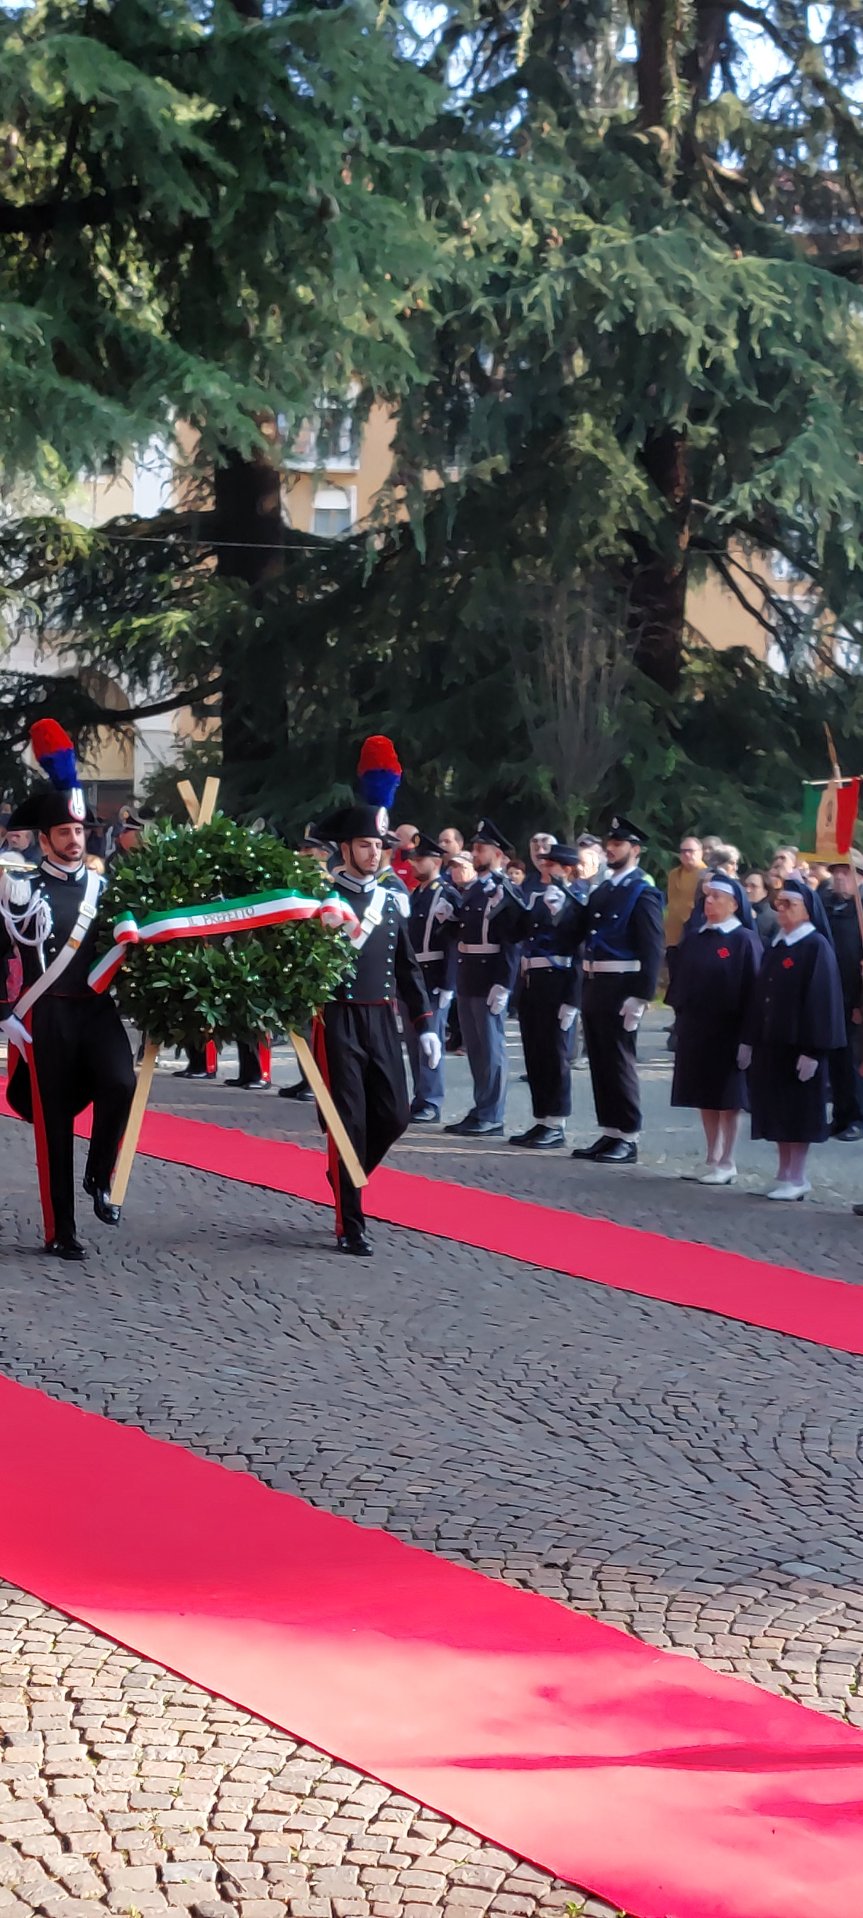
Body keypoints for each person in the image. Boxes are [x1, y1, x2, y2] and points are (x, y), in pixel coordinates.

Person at [0, 720, 136, 1259]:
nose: (75, 839)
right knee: (53, 1123)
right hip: (46, 1015)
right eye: (65, 833)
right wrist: (4, 1011)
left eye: (80, 831)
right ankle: (62, 1230)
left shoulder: (107, 887)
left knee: (120, 1084)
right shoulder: (19, 889)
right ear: (45, 838)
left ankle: (99, 1175)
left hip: (97, 1009)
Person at [311, 802, 436, 1255]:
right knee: (350, 1122)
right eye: (364, 844)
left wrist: (425, 1024)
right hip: (337, 1017)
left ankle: (346, 1173)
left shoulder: (389, 899)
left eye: (379, 845)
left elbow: (407, 966)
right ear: (344, 848)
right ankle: (351, 1224)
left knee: (395, 1116)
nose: (373, 852)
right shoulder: (322, 899)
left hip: (382, 1018)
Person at [555, 814, 664, 1165]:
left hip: (621, 984)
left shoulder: (641, 891)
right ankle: (610, 1130)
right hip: (595, 981)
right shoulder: (603, 889)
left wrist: (642, 995)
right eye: (610, 844)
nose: (611, 849)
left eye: (618, 844)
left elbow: (652, 947)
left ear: (635, 849)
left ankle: (628, 1135)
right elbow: (580, 931)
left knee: (619, 1061)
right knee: (600, 1060)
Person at [739, 875, 845, 1200]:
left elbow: (823, 1001)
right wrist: (749, 1038)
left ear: (807, 910)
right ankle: (783, 1172)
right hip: (773, 1043)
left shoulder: (815, 946)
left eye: (789, 905)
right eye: (779, 905)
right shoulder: (779, 943)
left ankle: (798, 1176)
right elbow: (760, 994)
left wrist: (813, 1050)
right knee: (777, 1111)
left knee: (798, 1113)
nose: (782, 911)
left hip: (800, 1045)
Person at [668, 876, 762, 1184]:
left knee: (727, 1098)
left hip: (729, 1030)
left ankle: (727, 1159)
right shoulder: (696, 936)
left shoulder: (744, 940)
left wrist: (748, 1039)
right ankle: (711, 1155)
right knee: (704, 1094)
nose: (709, 902)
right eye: (707, 897)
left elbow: (754, 992)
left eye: (717, 898)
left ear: (734, 904)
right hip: (698, 1027)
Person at [444, 819, 531, 1137]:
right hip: (469, 973)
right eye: (475, 848)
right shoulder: (475, 888)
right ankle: (482, 1107)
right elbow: (463, 932)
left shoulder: (502, 889)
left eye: (481, 849)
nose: (475, 853)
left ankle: (492, 1113)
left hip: (489, 972)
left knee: (491, 1049)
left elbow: (512, 939)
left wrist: (504, 983)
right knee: (477, 1048)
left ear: (497, 854)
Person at [510, 841, 582, 1149]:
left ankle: (557, 1122)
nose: (546, 869)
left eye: (552, 865)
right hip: (533, 979)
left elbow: (580, 950)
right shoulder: (539, 898)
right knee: (535, 1052)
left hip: (558, 980)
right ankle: (541, 1118)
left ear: (566, 869)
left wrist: (573, 999)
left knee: (554, 1055)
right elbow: (517, 934)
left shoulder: (577, 902)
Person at [403, 832, 459, 1122]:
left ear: (436, 861)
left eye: (419, 858)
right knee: (415, 1039)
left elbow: (452, 942)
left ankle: (431, 1100)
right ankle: (420, 1095)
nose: (414, 864)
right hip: (416, 974)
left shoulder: (446, 893)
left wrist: (449, 983)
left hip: (434, 973)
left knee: (431, 1039)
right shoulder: (418, 893)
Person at [824, 854, 863, 1142]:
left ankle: (858, 1118)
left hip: (856, 999)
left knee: (855, 1060)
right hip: (833, 997)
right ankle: (840, 1115)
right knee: (837, 1058)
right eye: (836, 873)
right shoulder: (831, 907)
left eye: (845, 873)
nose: (839, 878)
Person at [744, 871, 779, 946]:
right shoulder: (734, 914)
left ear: (765, 891)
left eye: (753, 886)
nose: (747, 890)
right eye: (745, 885)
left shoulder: (776, 919)